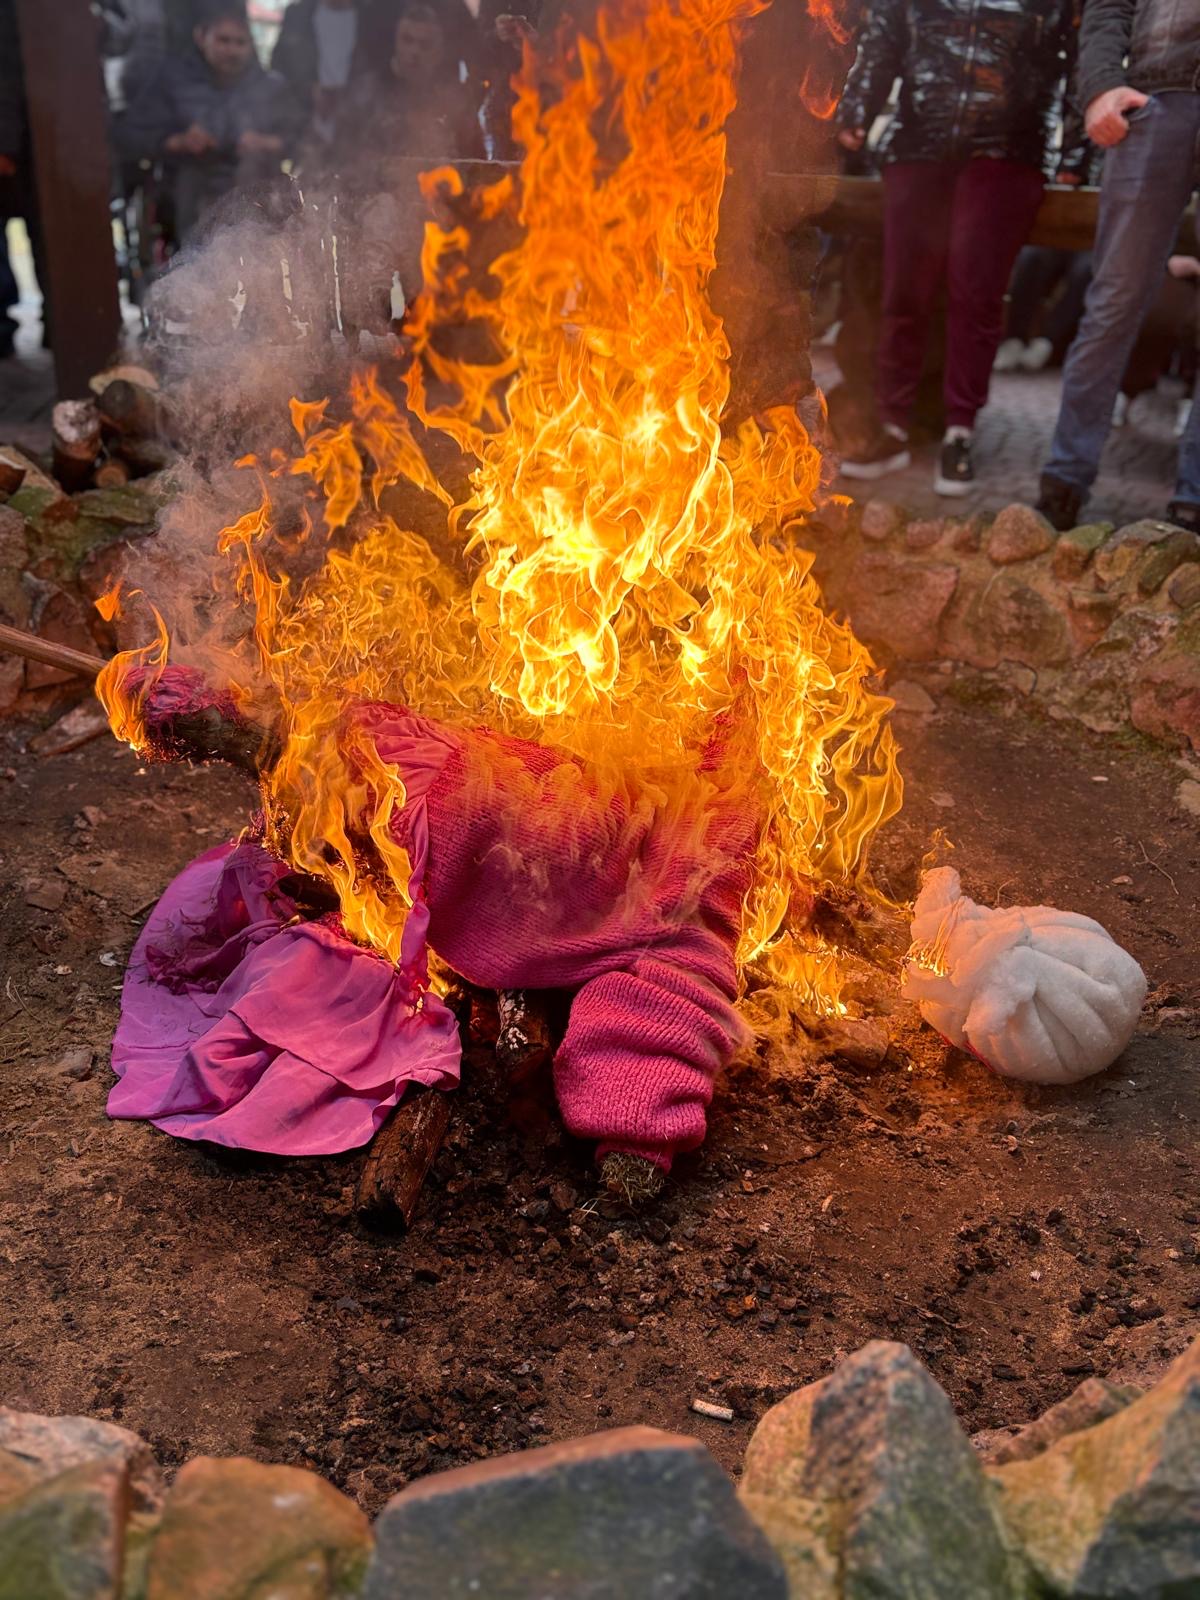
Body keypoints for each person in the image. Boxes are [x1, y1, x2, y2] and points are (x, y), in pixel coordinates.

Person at [835, 0, 1082, 497]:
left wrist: (1075, 151)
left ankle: (960, 432)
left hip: (1007, 151)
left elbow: (1073, 57)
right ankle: (891, 426)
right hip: (919, 142)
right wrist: (859, 107)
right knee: (904, 290)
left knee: (977, 293)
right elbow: (885, 37)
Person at [1038, 0, 1200, 534]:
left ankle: (1194, 502)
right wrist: (1101, 85)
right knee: (1114, 300)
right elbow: (1109, 4)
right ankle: (1064, 481)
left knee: (1113, 301)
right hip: (1157, 95)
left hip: (1157, 95)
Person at [121, 0, 302, 244]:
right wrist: (176, 141)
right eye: (223, 40)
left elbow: (304, 138)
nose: (232, 50)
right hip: (189, 203)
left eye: (240, 42)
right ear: (201, 37)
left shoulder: (272, 87)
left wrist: (268, 143)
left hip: (259, 200)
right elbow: (129, 134)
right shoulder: (172, 81)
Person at [271, 0, 370, 147]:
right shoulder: (298, 15)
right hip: (301, 130)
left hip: (357, 132)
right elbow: (278, 72)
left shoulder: (371, 19)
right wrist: (308, 91)